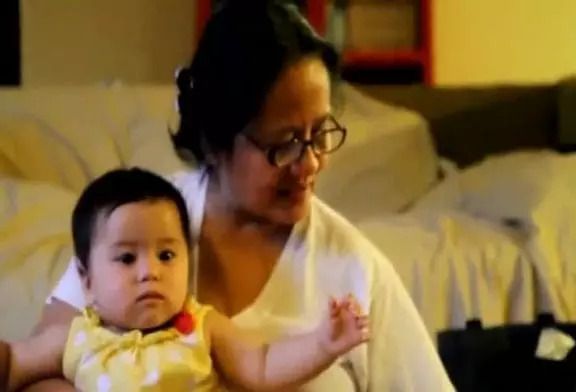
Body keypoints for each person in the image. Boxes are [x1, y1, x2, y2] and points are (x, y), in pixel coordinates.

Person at [25, 0, 455, 391]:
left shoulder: (357, 272)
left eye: (319, 134)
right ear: (214, 142)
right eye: (283, 143)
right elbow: (39, 372)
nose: (310, 165)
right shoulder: (141, 225)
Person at [2, 168, 369, 391]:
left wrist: (323, 343)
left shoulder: (201, 326)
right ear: (86, 281)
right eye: (127, 258)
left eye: (166, 255)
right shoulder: (76, 337)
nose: (150, 272)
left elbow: (263, 363)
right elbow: (13, 364)